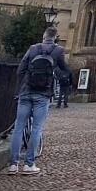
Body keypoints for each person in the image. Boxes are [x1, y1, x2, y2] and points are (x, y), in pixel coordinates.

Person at [8, 26, 69, 176]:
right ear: (55, 37)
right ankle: (29, 164)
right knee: (36, 128)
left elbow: (20, 70)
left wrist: (22, 87)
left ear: (44, 36)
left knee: (18, 128)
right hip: (43, 94)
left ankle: (13, 165)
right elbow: (65, 70)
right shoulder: (58, 51)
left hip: (26, 91)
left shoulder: (33, 48)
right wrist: (56, 76)